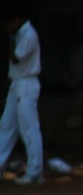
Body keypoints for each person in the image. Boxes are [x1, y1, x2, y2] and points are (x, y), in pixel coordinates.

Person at [0, 10, 44, 185]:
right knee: (6, 126)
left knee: (28, 128)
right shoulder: (21, 33)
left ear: (17, 20)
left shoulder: (28, 33)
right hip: (17, 83)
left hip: (26, 84)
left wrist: (10, 40)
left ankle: (35, 173)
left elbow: (16, 58)